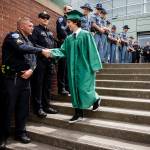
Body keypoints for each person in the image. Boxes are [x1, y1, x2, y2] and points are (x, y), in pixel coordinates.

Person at [0, 17, 50, 148]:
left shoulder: (28, 40)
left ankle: (20, 133)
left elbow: (33, 57)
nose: (32, 28)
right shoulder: (13, 36)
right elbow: (22, 48)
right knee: (7, 108)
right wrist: (41, 51)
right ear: (22, 27)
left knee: (23, 109)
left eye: (32, 26)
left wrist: (32, 70)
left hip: (25, 80)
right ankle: (2, 137)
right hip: (12, 79)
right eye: (30, 26)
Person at [49, 10, 103, 123]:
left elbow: (92, 51)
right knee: (74, 90)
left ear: (75, 22)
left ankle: (95, 99)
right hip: (72, 69)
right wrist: (50, 52)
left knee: (84, 89)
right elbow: (63, 50)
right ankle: (78, 114)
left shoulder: (86, 35)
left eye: (69, 22)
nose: (67, 24)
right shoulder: (69, 38)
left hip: (85, 68)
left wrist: (95, 66)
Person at [30, 11, 57, 118]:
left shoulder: (50, 32)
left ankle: (46, 106)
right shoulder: (35, 30)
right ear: (39, 18)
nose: (45, 19)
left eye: (47, 18)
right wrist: (44, 50)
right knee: (38, 85)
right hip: (40, 61)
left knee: (47, 86)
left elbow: (54, 44)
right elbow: (32, 44)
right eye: (43, 17)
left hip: (49, 62)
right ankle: (38, 108)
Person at [56, 5, 72, 95]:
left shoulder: (71, 21)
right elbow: (62, 31)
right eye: (69, 9)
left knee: (67, 67)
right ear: (64, 10)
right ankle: (61, 88)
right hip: (63, 44)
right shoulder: (61, 19)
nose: (70, 11)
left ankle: (67, 87)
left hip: (70, 45)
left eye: (71, 10)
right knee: (62, 67)